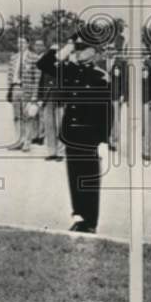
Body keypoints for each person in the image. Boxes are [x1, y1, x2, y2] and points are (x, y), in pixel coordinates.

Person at [36, 25, 112, 233]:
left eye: (82, 48)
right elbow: (44, 64)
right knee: (74, 177)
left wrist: (104, 140)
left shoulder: (100, 77)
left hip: (89, 136)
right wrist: (67, 47)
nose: (78, 52)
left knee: (89, 179)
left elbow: (107, 111)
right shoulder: (71, 71)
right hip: (71, 134)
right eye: (76, 49)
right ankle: (79, 216)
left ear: (93, 52)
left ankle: (91, 221)